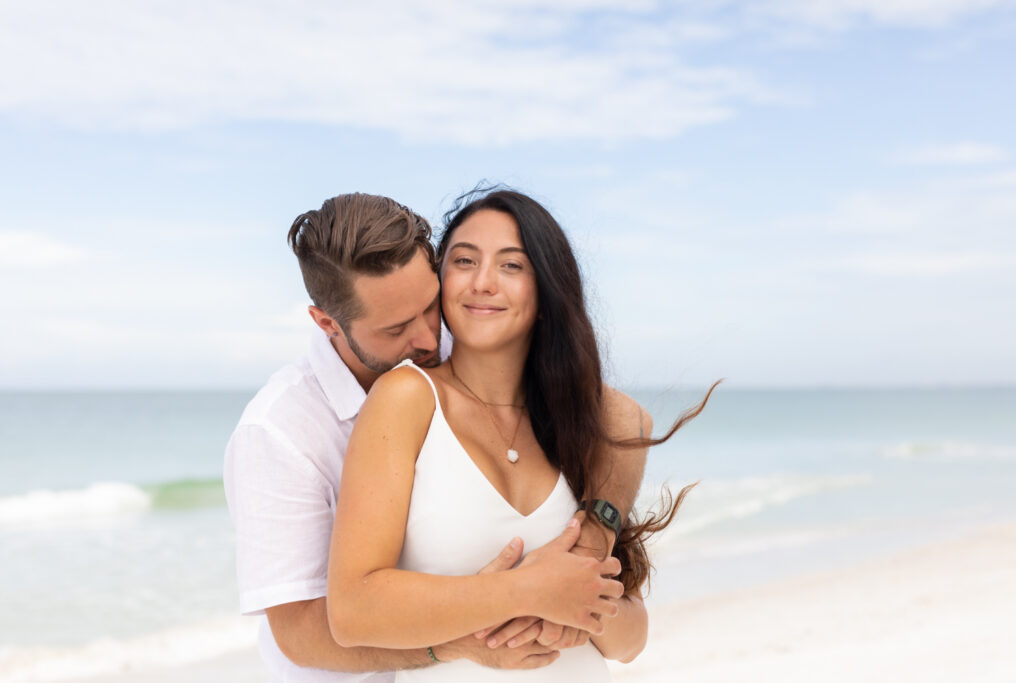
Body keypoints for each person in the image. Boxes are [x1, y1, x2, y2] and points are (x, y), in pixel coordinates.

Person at [223, 193, 651, 683]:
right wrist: (490, 620)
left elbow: (626, 419)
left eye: (429, 306)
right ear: (327, 324)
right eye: (397, 327)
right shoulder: (280, 432)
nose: (430, 338)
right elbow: (306, 631)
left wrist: (592, 544)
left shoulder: (472, 345)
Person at [325, 189, 715, 681]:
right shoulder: (407, 398)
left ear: (547, 293)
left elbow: (629, 642)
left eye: (511, 266)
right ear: (441, 280)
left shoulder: (581, 424)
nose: (483, 282)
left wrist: (580, 608)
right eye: (464, 260)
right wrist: (528, 591)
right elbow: (352, 610)